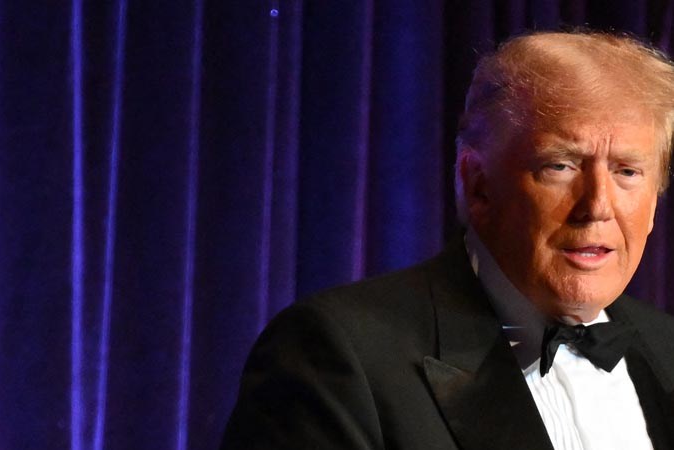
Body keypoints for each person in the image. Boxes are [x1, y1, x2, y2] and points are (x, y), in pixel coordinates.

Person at [222, 31, 674, 450]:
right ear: (478, 185)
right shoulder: (337, 355)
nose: (597, 206)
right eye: (560, 166)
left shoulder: (667, 348)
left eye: (627, 171)